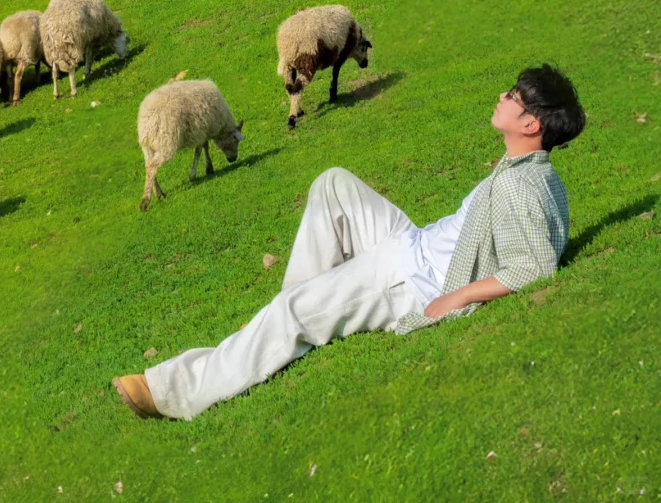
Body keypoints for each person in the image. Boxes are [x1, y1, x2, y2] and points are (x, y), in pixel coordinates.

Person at [114, 64, 585, 421]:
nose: (503, 96)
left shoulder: (522, 187)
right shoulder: (530, 172)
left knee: (294, 312)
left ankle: (171, 392)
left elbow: (534, 267)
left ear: (530, 126)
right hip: (414, 244)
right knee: (333, 185)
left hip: (410, 281)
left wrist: (452, 299)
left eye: (515, 97)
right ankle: (295, 312)